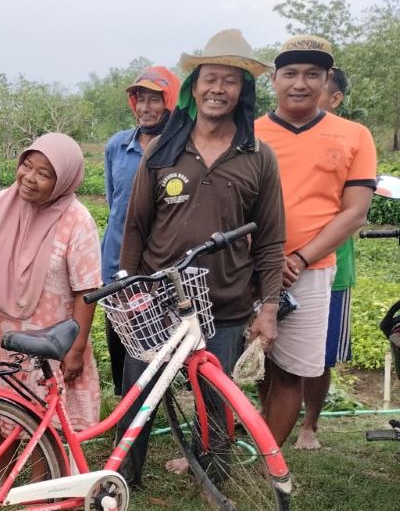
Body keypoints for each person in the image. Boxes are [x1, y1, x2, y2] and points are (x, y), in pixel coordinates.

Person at [116, 30, 286, 486]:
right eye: (210, 78)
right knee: (140, 393)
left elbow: (271, 241)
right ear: (193, 88)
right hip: (155, 299)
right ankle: (122, 479)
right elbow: (135, 227)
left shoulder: (258, 157)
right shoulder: (163, 149)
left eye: (230, 81)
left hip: (225, 303)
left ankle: (212, 476)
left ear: (243, 92)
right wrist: (129, 289)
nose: (218, 89)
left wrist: (268, 307)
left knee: (215, 395)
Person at [256, 38, 376, 448]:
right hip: (248, 268)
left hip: (310, 272)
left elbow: (354, 211)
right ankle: (262, 443)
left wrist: (302, 258)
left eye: (312, 74)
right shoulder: (250, 134)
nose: (300, 83)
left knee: (292, 369)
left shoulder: (354, 135)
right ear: (274, 80)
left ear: (326, 81)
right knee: (257, 363)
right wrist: (266, 258)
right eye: (290, 73)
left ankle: (264, 466)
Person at [0, 133, 102, 429]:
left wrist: (76, 348)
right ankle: (3, 470)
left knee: (46, 427)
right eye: (27, 165)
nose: (29, 178)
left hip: (51, 343)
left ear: (63, 180)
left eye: (44, 173)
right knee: (0, 416)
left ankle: (44, 478)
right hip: (1, 337)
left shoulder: (77, 220)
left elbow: (87, 289)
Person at [102, 66, 180, 394]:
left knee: (155, 334)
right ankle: (124, 399)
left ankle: (152, 399)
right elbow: (114, 202)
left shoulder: (179, 149)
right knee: (119, 332)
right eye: (140, 99)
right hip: (116, 258)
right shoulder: (117, 147)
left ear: (171, 103)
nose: (146, 108)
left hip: (159, 262)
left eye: (155, 100)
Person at [295, 67, 354, 450]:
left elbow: (354, 209)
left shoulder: (349, 140)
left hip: (330, 270)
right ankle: (269, 423)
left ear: (334, 98)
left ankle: (310, 425)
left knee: (321, 354)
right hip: (280, 267)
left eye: (317, 87)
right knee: (270, 353)